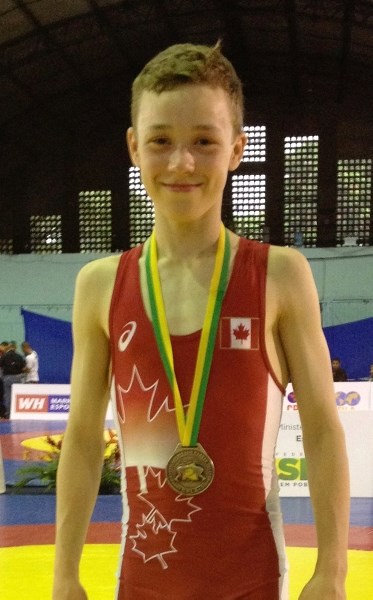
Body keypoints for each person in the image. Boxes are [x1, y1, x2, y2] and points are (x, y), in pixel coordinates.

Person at [53, 43, 350, 599]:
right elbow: (84, 437)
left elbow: (323, 428)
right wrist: (64, 574)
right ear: (133, 147)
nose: (181, 162)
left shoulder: (280, 276)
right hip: (142, 580)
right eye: (161, 140)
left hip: (252, 583)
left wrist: (332, 571)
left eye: (204, 142)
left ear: (236, 149)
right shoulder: (101, 285)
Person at [0, 341, 26, 418]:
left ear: (9, 347)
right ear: (15, 348)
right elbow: (23, 367)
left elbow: (0, 365)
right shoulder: (19, 356)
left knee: (8, 396)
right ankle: (18, 412)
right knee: (18, 396)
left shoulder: (5, 356)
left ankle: (9, 414)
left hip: (7, 378)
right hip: (18, 378)